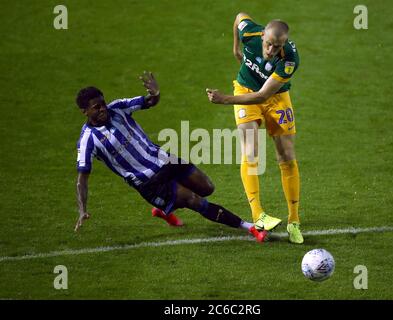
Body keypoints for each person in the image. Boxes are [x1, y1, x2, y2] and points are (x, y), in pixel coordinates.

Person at [74, 71, 268, 243]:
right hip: (149, 182)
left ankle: (166, 207)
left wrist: (154, 94)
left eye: (102, 104)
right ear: (84, 112)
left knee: (207, 188)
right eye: (96, 107)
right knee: (195, 200)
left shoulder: (117, 108)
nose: (102, 109)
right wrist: (82, 209)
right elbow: (82, 179)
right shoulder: (88, 140)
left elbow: (149, 102)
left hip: (166, 160)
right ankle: (249, 227)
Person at [206, 13, 304, 244]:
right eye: (268, 44)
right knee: (250, 151)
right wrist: (235, 49)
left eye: (276, 46)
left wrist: (223, 100)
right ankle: (257, 214)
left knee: (287, 157)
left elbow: (263, 95)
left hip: (275, 98)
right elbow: (239, 16)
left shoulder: (289, 60)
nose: (270, 50)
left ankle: (294, 221)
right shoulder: (250, 32)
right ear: (262, 36)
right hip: (244, 90)